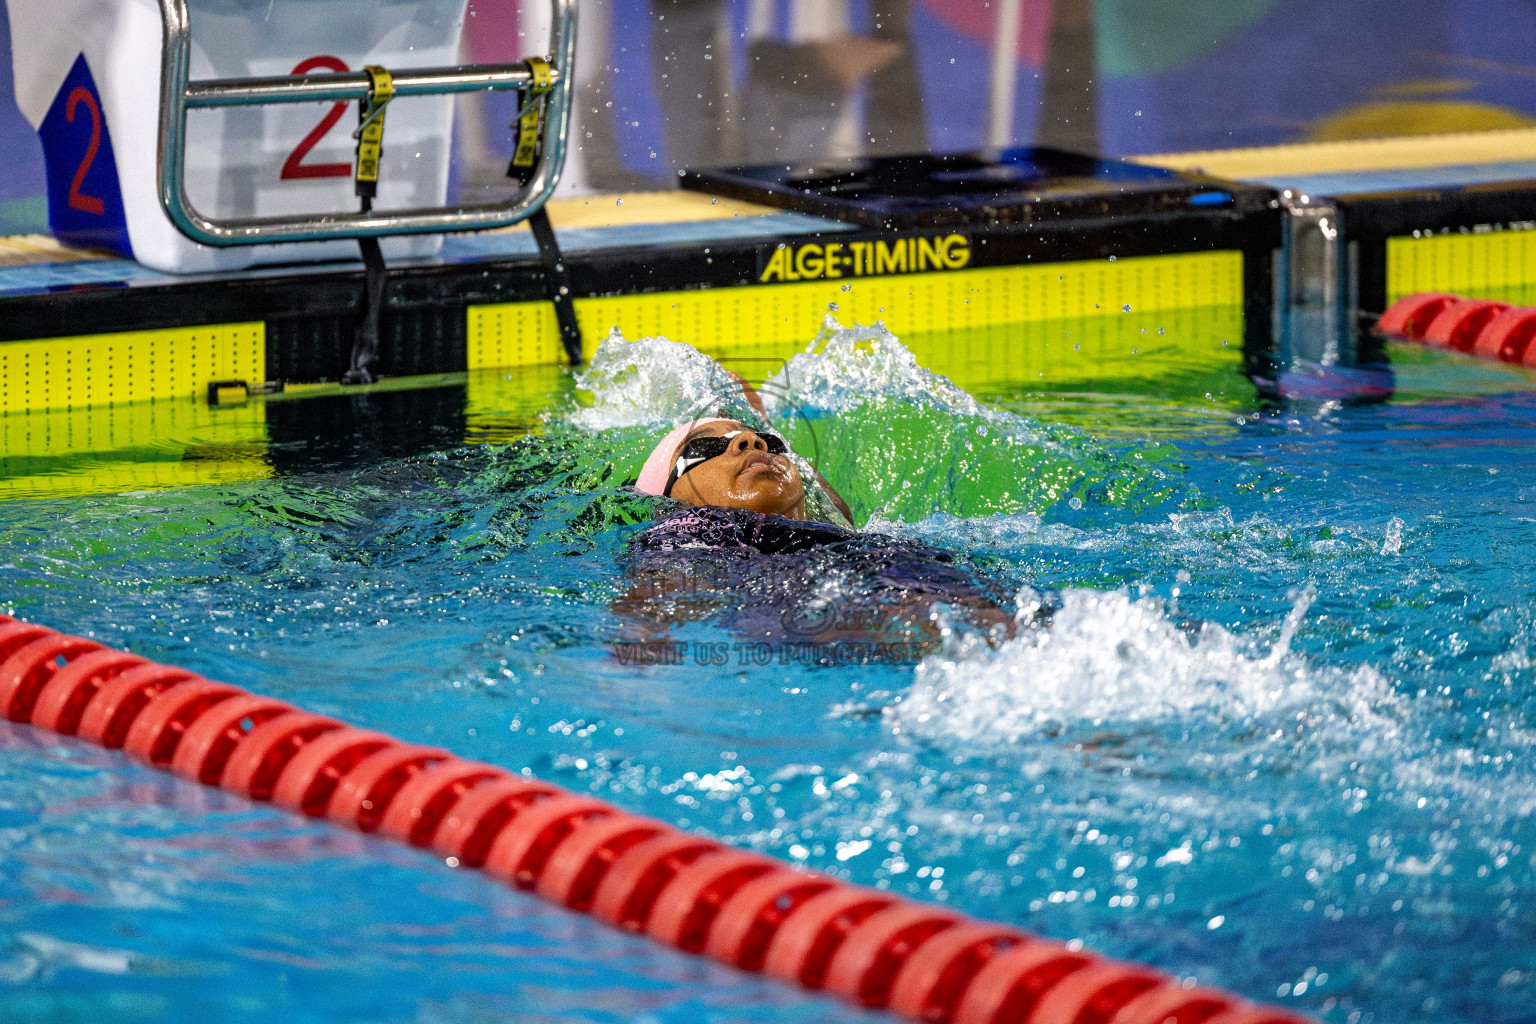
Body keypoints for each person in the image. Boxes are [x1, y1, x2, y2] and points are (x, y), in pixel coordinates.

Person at [614, 371, 1022, 660]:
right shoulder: (689, 527)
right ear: (668, 496)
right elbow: (649, 603)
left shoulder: (840, 530)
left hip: (905, 570)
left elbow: (828, 507)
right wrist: (635, 652)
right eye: (707, 446)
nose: (749, 440)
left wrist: (769, 426)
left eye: (767, 442)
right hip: (802, 602)